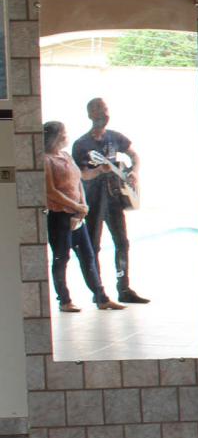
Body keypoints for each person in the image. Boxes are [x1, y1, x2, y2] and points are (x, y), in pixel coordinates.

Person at [72, 97, 147, 304]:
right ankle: (99, 292)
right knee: (93, 246)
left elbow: (134, 155)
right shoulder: (81, 144)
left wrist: (134, 171)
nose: (103, 114)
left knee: (122, 242)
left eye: (105, 110)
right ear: (90, 115)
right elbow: (81, 174)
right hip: (94, 199)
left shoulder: (114, 137)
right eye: (98, 110)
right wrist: (98, 171)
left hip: (114, 198)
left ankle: (124, 288)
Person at [42, 120, 122, 312]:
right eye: (63, 132)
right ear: (56, 136)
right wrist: (75, 205)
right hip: (59, 216)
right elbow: (50, 191)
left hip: (77, 215)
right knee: (62, 258)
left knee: (88, 256)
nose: (66, 135)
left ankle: (101, 298)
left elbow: (79, 180)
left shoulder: (66, 156)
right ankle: (64, 300)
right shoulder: (46, 160)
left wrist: (82, 206)